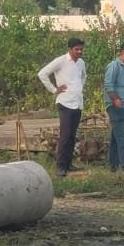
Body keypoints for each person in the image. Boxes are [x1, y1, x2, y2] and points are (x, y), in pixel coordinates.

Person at [37, 37, 87, 176]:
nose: (79, 52)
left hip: (77, 103)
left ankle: (69, 163)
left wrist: (78, 88)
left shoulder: (81, 63)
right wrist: (54, 89)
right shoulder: (61, 61)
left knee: (72, 135)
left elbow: (83, 76)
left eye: (81, 49)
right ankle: (60, 166)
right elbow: (42, 73)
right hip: (65, 102)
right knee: (65, 135)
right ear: (70, 49)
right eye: (76, 49)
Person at [103, 43, 124, 172]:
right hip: (115, 106)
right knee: (122, 137)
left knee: (116, 139)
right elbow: (108, 84)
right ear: (122, 54)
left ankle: (113, 166)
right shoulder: (114, 66)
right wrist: (115, 99)